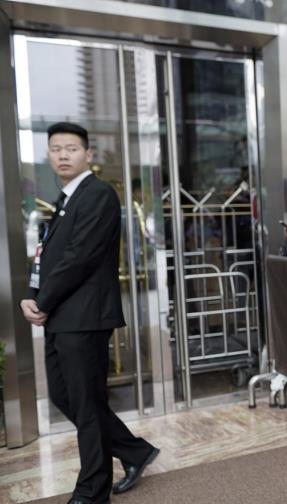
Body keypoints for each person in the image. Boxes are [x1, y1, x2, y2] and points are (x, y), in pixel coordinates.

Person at [19, 122, 159, 503]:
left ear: (88, 155)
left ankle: (93, 490)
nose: (63, 155)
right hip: (61, 314)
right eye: (56, 149)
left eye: (71, 148)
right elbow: (48, 255)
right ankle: (134, 451)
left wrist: (43, 301)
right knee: (70, 398)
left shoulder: (98, 194)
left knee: (85, 401)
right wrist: (32, 293)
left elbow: (79, 258)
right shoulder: (64, 198)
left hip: (83, 317)